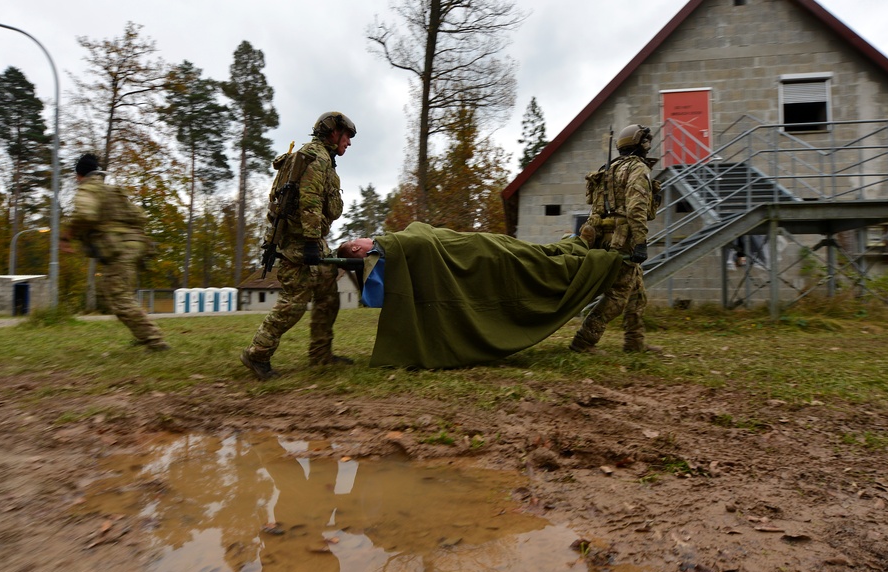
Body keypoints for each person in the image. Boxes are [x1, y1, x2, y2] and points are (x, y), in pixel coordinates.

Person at [335, 222, 623, 369]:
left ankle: (572, 248)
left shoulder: (386, 244)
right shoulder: (384, 248)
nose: (365, 237)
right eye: (358, 240)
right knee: (525, 260)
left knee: (522, 250)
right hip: (475, 256)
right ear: (358, 250)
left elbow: (421, 233)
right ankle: (580, 255)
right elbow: (418, 243)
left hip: (468, 245)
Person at [241, 112, 357, 380]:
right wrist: (309, 244)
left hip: (311, 238)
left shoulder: (320, 158)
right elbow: (310, 202)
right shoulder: (316, 158)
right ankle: (257, 353)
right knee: (294, 302)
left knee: (328, 291)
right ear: (333, 133)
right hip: (301, 241)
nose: (349, 143)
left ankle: (320, 354)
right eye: (347, 137)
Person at [63, 153, 169, 351]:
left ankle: (154, 340)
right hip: (135, 246)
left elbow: (85, 214)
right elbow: (140, 216)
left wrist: (67, 235)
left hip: (120, 251)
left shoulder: (88, 188)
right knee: (116, 293)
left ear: (78, 175)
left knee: (119, 297)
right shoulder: (111, 190)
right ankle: (144, 335)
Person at [570, 123, 660, 354]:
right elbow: (636, 208)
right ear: (638, 143)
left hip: (606, 237)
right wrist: (640, 242)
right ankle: (584, 341)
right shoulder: (638, 169)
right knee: (618, 295)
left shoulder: (607, 169)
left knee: (637, 294)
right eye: (646, 142)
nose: (648, 147)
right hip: (625, 240)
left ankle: (634, 342)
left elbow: (595, 208)